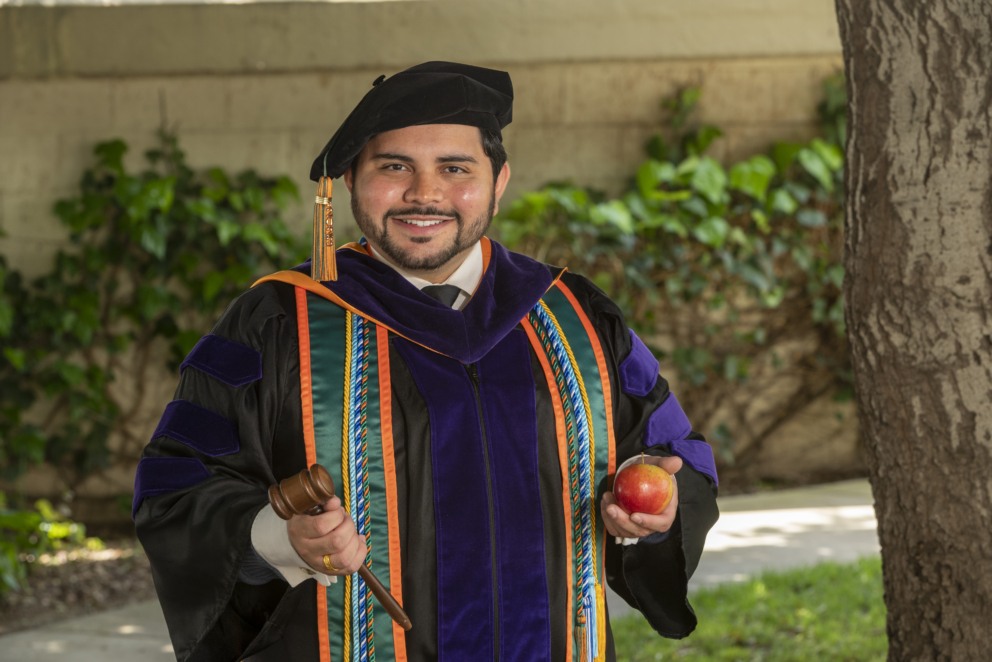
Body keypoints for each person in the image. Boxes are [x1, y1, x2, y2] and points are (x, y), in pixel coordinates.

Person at [133, 61, 719, 662]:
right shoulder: (278, 323)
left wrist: (659, 510)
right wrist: (279, 538)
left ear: (500, 180)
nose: (425, 193)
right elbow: (176, 488)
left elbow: (678, 457)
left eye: (455, 168)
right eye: (394, 167)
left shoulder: (577, 316)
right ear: (351, 181)